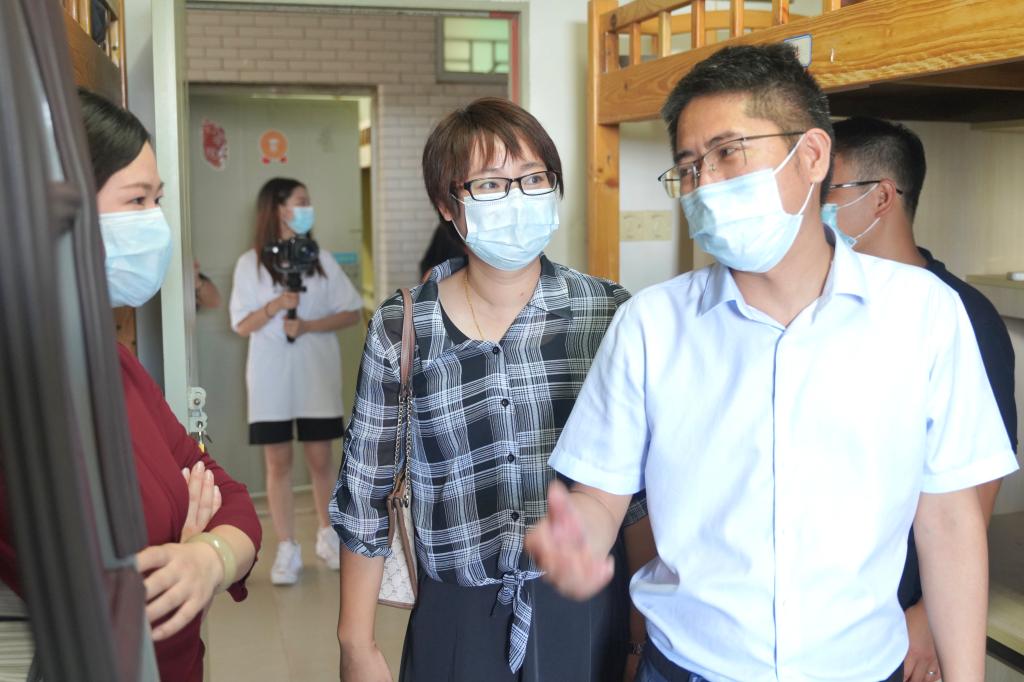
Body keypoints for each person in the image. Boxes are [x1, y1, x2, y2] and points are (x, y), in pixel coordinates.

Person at [526, 44, 1018, 682]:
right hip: (687, 668)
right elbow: (599, 496)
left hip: (863, 669)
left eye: (728, 152)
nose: (705, 185)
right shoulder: (650, 325)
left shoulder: (924, 313)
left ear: (811, 155)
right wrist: (579, 538)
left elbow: (950, 522)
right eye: (689, 167)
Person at [330, 97, 653, 682]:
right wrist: (357, 643)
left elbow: (635, 493)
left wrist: (639, 637)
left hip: (584, 608)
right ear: (446, 205)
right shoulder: (403, 328)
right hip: (455, 613)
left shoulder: (606, 312)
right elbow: (366, 492)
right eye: (489, 184)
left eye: (533, 178)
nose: (517, 198)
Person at [0, 88, 261, 682]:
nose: (155, 223)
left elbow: (232, 498)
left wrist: (206, 557)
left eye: (157, 200)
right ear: (53, 211)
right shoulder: (20, 393)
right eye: (136, 200)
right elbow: (109, 588)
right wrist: (188, 543)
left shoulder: (112, 362)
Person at [826, 115, 1017, 682]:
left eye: (826, 191)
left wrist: (931, 613)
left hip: (905, 596)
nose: (809, 207)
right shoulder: (831, 300)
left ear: (882, 197)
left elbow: (976, 480)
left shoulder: (959, 314)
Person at [229, 178, 362, 584]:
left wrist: (307, 325)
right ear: (278, 208)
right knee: (278, 461)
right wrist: (275, 306)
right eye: (300, 201)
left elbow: (352, 311)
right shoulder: (250, 263)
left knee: (321, 459)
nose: (307, 208)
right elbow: (241, 324)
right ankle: (286, 547)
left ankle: (328, 535)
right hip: (270, 377)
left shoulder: (320, 259)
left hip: (314, 373)